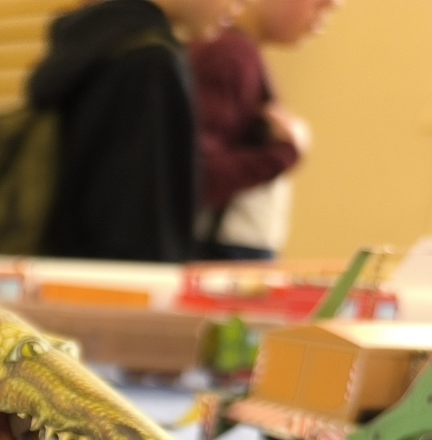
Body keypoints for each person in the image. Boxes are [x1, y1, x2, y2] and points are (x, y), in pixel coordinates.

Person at [27, 0, 246, 262]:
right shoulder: (150, 60)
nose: (239, 7)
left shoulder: (97, 40)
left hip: (66, 266)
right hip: (118, 278)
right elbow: (140, 220)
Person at [191, 0, 343, 260]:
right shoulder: (230, 55)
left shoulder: (240, 53)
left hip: (233, 246)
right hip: (223, 250)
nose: (324, 18)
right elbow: (200, 175)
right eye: (320, 3)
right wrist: (284, 153)